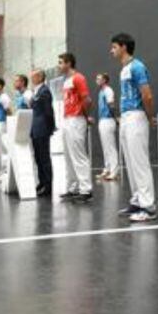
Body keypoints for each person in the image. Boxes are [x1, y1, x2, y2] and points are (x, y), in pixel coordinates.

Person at [111, 33, 158, 222]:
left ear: (123, 47)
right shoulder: (124, 69)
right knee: (130, 163)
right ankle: (137, 201)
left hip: (137, 116)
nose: (111, 50)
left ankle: (148, 207)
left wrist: (149, 117)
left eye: (114, 47)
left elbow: (147, 95)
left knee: (140, 162)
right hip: (126, 118)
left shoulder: (138, 67)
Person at [57, 53, 93, 202]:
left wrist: (85, 116)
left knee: (78, 155)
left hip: (76, 120)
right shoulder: (66, 81)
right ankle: (73, 188)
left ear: (69, 63)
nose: (58, 65)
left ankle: (86, 190)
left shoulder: (79, 78)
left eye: (60, 63)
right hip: (67, 119)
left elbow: (87, 100)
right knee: (68, 156)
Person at [29, 69, 55, 196]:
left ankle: (48, 185)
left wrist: (50, 128)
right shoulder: (36, 91)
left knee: (44, 158)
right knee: (38, 158)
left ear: (40, 77)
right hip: (35, 129)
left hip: (43, 128)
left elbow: (48, 111)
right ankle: (42, 182)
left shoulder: (45, 91)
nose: (31, 79)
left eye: (33, 76)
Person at [93, 73, 119, 181]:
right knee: (105, 147)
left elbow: (111, 105)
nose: (97, 80)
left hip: (108, 120)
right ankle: (107, 169)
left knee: (110, 147)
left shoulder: (108, 90)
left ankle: (114, 172)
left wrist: (116, 117)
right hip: (102, 120)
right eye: (97, 78)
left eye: (99, 78)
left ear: (104, 80)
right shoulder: (101, 92)